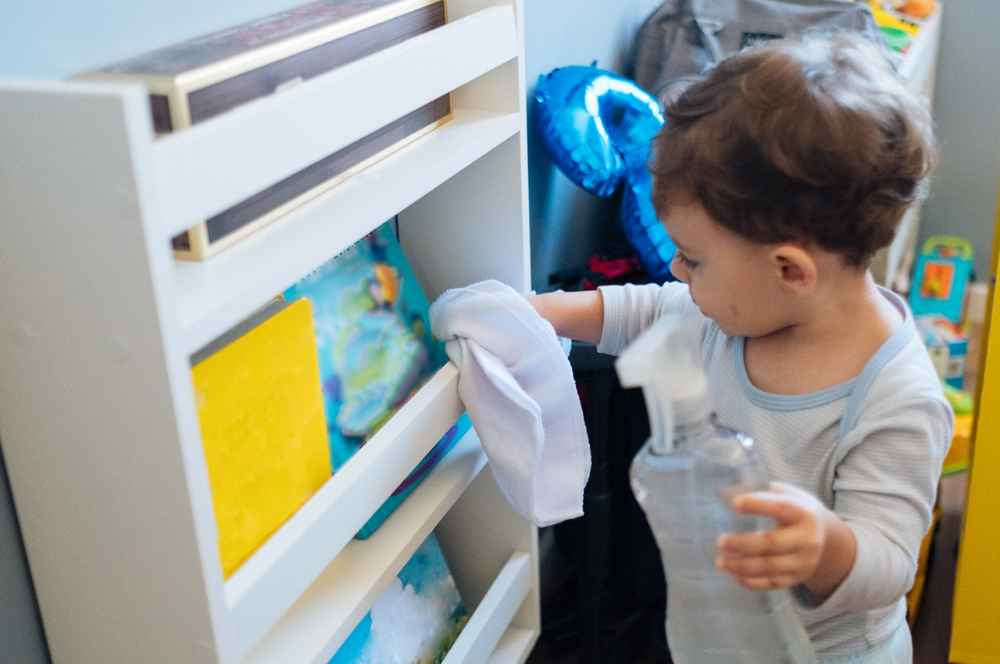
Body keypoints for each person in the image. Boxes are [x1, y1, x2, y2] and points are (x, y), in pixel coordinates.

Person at [528, 37, 952, 663]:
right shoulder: (737, 312)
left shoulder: (896, 397)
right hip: (721, 633)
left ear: (789, 269)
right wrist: (538, 314)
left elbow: (890, 560)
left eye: (693, 258)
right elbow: (647, 310)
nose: (674, 268)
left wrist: (825, 546)